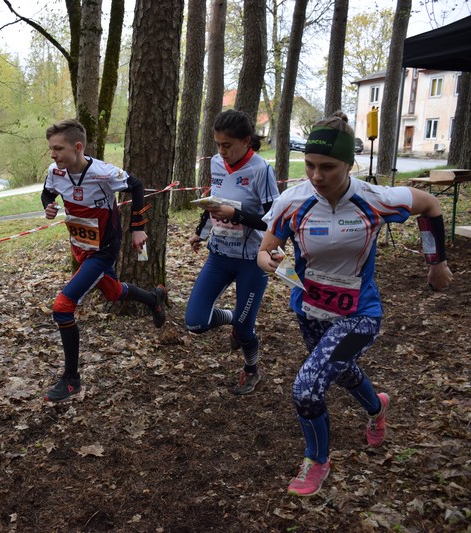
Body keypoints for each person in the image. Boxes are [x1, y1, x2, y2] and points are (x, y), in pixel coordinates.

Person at [257, 111, 453, 497]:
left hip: (358, 316)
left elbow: (431, 205)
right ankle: (377, 408)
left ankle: (317, 461)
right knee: (342, 372)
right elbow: (266, 250)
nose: (316, 176)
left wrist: (437, 263)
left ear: (349, 164)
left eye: (328, 167)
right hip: (310, 312)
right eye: (310, 165)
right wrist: (271, 261)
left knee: (308, 387)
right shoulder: (292, 201)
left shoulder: (375, 199)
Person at [41, 118, 166, 402]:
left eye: (58, 149)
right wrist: (48, 206)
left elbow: (137, 185)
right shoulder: (55, 171)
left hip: (104, 249)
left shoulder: (103, 173)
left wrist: (137, 227)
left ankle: (71, 379)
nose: (53, 155)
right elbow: (47, 191)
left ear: (77, 147)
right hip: (80, 246)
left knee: (62, 307)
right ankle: (153, 299)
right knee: (112, 291)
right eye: (50, 149)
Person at [185, 109, 279, 395]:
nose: (222, 151)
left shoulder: (261, 169)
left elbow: (272, 220)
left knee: (246, 329)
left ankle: (251, 370)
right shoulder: (216, 163)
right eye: (218, 145)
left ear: (246, 141)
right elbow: (214, 201)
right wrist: (201, 231)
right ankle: (232, 318)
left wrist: (236, 215)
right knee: (196, 321)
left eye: (227, 145)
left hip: (252, 260)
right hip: (219, 255)